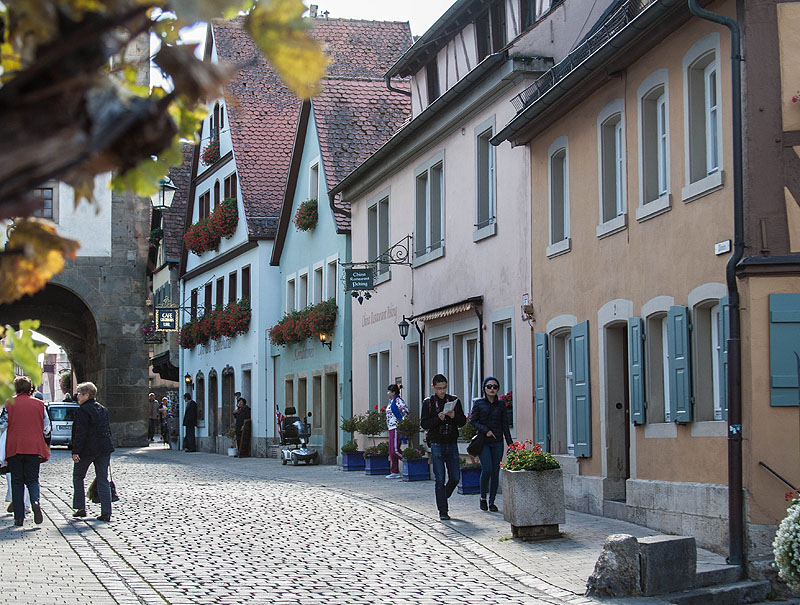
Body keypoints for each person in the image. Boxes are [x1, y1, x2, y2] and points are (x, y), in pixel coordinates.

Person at [5, 376, 51, 526]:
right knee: (32, 479)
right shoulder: (40, 404)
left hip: (15, 447)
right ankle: (35, 502)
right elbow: (47, 427)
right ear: (31, 388)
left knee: (17, 481)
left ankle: (19, 517)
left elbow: (2, 424)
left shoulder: (9, 403)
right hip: (34, 447)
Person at [420, 374, 466, 521]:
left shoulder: (453, 400)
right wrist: (437, 419)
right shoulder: (428, 403)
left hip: (451, 442)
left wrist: (453, 416)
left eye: (444, 388)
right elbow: (424, 424)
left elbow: (463, 421)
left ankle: (443, 496)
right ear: (433, 388)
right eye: (439, 388)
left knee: (455, 477)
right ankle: (443, 510)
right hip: (437, 443)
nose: (442, 391)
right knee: (439, 478)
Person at [72, 381, 114, 521]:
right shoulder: (102, 409)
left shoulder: (83, 410)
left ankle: (80, 508)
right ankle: (106, 512)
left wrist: (76, 451)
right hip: (103, 448)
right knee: (103, 479)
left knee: (78, 476)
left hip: (87, 449)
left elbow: (80, 432)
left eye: (79, 394)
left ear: (86, 395)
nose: (77, 396)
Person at [470, 377, 513, 512]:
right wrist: (485, 430)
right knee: (487, 469)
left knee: (495, 472)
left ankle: (492, 501)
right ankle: (483, 497)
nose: (492, 389)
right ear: (484, 388)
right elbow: (473, 421)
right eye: (489, 386)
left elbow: (505, 424)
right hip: (484, 442)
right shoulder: (478, 404)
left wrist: (510, 443)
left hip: (498, 442)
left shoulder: (500, 405)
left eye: (495, 387)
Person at [0, 407, 31, 514]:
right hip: (29, 444)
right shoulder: (36, 405)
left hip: (11, 443)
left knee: (13, 475)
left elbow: (3, 424)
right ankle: (26, 503)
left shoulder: (9, 406)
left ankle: (17, 500)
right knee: (28, 477)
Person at [385, 384, 408, 479]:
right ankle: (394, 471)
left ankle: (407, 461)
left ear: (393, 392)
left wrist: (401, 421)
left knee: (395, 450)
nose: (388, 393)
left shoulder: (398, 401)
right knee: (391, 451)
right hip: (390, 427)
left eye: (389, 391)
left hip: (396, 427)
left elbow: (405, 411)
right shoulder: (391, 402)